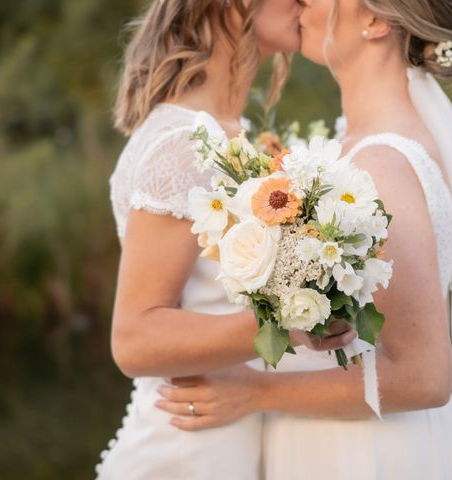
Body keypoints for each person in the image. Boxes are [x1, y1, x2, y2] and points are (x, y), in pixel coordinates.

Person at [156, 1, 452, 479]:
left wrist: (253, 392)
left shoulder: (382, 165)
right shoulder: (361, 148)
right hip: (331, 439)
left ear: (375, 20)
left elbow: (425, 377)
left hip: (367, 454)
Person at [96, 0, 355, 478]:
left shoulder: (234, 137)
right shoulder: (182, 142)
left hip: (231, 441)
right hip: (185, 451)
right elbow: (134, 338)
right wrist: (292, 325)